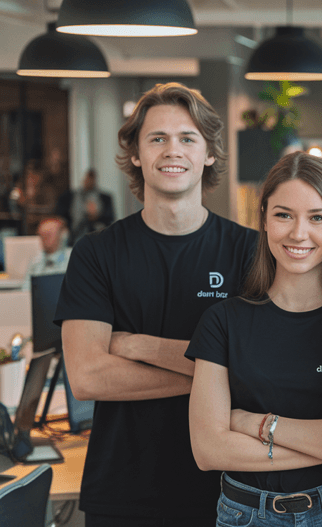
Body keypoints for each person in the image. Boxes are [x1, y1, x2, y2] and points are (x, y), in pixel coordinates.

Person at [54, 83, 258, 526]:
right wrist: (217, 376)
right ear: (136, 154)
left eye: (187, 138)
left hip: (231, 492)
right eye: (157, 138)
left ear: (208, 154)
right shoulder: (96, 253)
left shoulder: (250, 252)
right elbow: (87, 377)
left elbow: (259, 369)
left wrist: (137, 345)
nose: (173, 151)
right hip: (123, 492)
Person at [186, 152, 322, 526]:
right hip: (246, 514)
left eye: (317, 218)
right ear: (265, 221)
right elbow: (208, 450)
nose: (298, 233)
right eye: (283, 215)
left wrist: (258, 425)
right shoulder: (223, 321)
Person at [54, 168, 115, 245]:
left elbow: (110, 220)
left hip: (97, 239)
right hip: (73, 238)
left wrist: (96, 215)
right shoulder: (68, 197)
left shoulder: (105, 198)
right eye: (87, 177)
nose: (89, 181)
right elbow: (61, 217)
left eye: (91, 178)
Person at [22, 216, 71, 289]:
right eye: (42, 235)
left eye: (48, 235)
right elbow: (25, 290)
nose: (44, 239)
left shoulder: (73, 258)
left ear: (63, 236)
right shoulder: (36, 261)